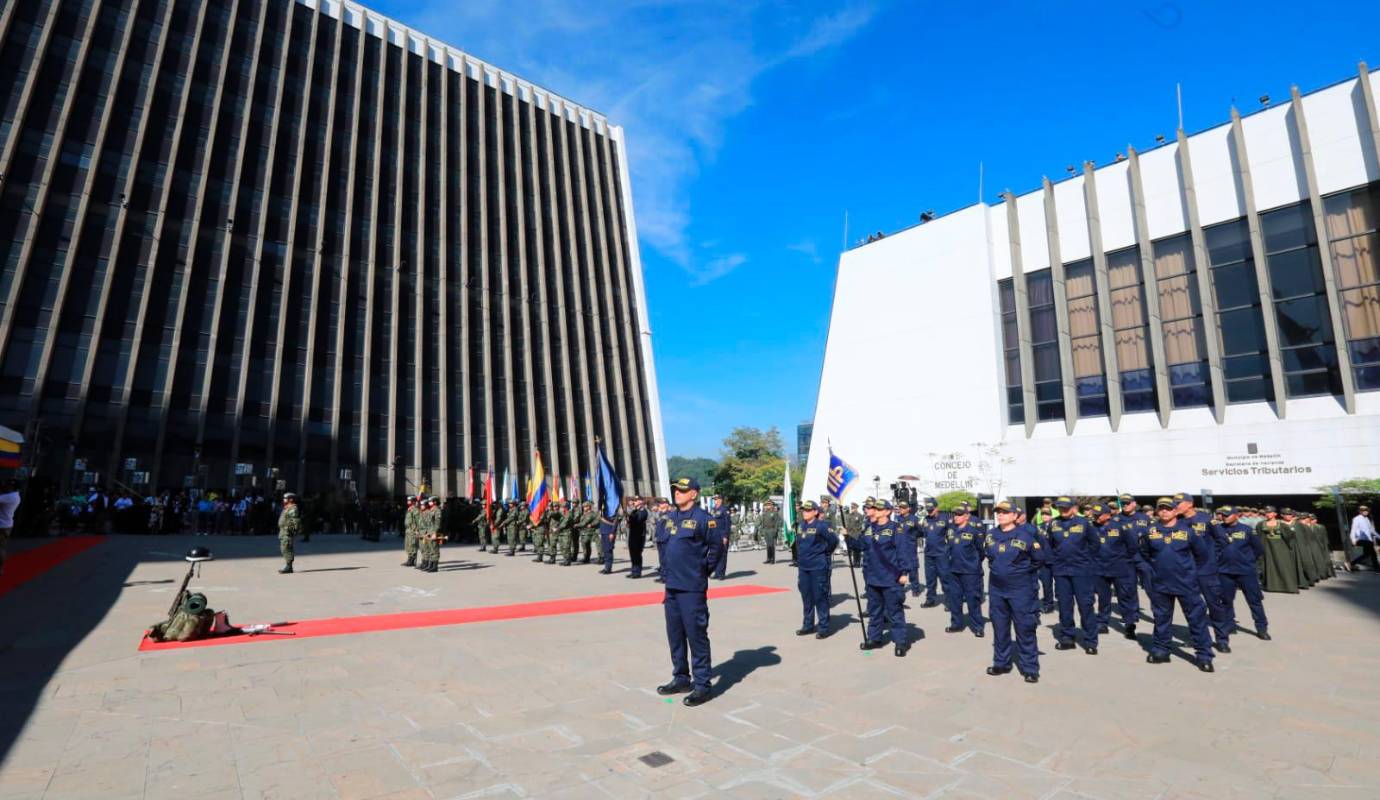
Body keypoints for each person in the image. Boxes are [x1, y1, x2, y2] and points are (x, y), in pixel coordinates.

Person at [656, 477, 721, 707]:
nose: (677, 494)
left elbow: (716, 548)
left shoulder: (704, 519)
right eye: (675, 490)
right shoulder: (669, 518)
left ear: (693, 494)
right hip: (671, 586)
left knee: (696, 635)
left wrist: (702, 571)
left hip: (692, 588)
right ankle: (681, 677)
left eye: (682, 491)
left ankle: (703, 685)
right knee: (675, 635)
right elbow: (663, 547)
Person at [1141, 497, 1214, 672]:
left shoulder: (1188, 531)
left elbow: (1202, 555)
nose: (1164, 511)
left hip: (1186, 584)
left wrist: (1191, 574)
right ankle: (1161, 650)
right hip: (1160, 584)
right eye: (1161, 509)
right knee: (1161, 619)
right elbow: (1144, 554)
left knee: (1196, 619)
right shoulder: (1150, 531)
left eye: (1168, 508)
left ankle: (1204, 655)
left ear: (1175, 511)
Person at [984, 500, 1044, 683]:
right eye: (998, 512)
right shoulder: (991, 535)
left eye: (1004, 512)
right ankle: (1002, 662)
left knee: (1024, 627)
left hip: (1020, 589)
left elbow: (1039, 559)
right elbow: (989, 556)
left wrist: (1020, 572)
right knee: (1000, 627)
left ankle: (1030, 668)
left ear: (1014, 516)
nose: (1000, 515)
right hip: (996, 588)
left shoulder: (1026, 536)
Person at [841, 499, 911, 655]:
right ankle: (874, 638)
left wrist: (905, 573)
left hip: (891, 578)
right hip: (873, 577)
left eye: (879, 509)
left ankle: (900, 642)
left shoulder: (896, 529)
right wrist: (848, 537)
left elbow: (903, 552)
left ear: (887, 511)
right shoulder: (869, 528)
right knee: (875, 611)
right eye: (874, 508)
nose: (876, 511)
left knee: (895, 612)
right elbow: (860, 546)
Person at [1045, 496, 1098, 654]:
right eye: (1060, 507)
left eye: (1066, 507)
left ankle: (1090, 641)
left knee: (1086, 605)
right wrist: (1054, 562)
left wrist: (1085, 559)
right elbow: (1049, 545)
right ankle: (1067, 637)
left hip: (1081, 571)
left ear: (1074, 507)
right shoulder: (1053, 523)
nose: (1063, 510)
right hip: (1061, 571)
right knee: (1064, 605)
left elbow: (1094, 544)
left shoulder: (1084, 523)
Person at [1213, 505, 1270, 642]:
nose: (1224, 517)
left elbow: (1258, 549)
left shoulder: (1247, 530)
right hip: (1224, 571)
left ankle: (1261, 628)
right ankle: (1229, 624)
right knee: (1226, 601)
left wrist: (1247, 561)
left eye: (1227, 515)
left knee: (1254, 600)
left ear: (1236, 515)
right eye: (1222, 515)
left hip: (1245, 571)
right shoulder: (1217, 529)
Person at [1091, 502, 1140, 640]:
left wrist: (1122, 558)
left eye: (1098, 515)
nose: (1096, 517)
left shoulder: (1120, 527)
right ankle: (1102, 622)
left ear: (1107, 515)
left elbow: (1133, 546)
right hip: (1099, 568)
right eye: (1094, 515)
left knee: (1125, 596)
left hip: (1120, 567)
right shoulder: (1091, 527)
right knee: (1103, 597)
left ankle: (1129, 625)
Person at [794, 500, 839, 638]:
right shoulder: (801, 525)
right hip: (804, 567)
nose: (805, 512)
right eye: (804, 510)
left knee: (820, 597)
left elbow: (834, 540)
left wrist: (825, 552)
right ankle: (808, 625)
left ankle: (823, 627)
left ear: (815, 512)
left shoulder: (822, 526)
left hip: (818, 567)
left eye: (808, 510)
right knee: (806, 597)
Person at [942, 502, 986, 637]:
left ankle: (978, 626)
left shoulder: (974, 531)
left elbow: (981, 551)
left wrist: (974, 564)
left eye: (960, 514)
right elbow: (948, 548)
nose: (956, 517)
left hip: (970, 572)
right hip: (954, 571)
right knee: (955, 600)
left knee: (973, 600)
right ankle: (956, 624)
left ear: (967, 516)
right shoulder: (950, 530)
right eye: (955, 514)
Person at [1258, 507, 1300, 593]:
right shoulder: (1260, 524)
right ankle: (1271, 586)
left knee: (1284, 566)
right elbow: (1259, 537)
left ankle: (1288, 587)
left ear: (1275, 514)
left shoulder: (1282, 524)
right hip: (1268, 549)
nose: (1268, 514)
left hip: (1281, 549)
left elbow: (1290, 537)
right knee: (1269, 566)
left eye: (1270, 512)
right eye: (1266, 512)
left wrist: (1290, 548)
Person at [919, 500, 946, 608]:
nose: (930, 512)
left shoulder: (945, 520)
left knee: (945, 579)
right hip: (929, 554)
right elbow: (923, 534)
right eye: (928, 510)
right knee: (930, 579)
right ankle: (930, 600)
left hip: (942, 554)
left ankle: (949, 601)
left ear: (937, 508)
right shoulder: (925, 520)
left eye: (932, 510)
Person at [895, 500, 922, 599]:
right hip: (899, 547)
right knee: (900, 568)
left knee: (913, 568)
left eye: (903, 507)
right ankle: (900, 588)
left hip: (910, 547)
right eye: (900, 507)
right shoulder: (897, 519)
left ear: (908, 509)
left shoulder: (914, 519)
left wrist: (913, 537)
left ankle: (915, 589)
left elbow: (920, 531)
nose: (901, 509)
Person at [0, 480, 20, 577]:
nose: (6, 487)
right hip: (7, 524)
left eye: (8, 485)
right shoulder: (16, 496)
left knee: (1, 548)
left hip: (2, 525)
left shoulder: (9, 496)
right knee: (2, 547)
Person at [278, 493, 301, 574]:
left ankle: (289, 566)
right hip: (283, 531)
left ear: (291, 499)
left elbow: (295, 521)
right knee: (284, 548)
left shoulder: (293, 508)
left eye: (285, 498)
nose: (284, 499)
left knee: (287, 547)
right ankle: (288, 565)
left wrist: (290, 530)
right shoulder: (287, 508)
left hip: (287, 531)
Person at [710, 495, 731, 580]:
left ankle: (721, 573)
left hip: (722, 535)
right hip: (713, 535)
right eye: (714, 499)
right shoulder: (713, 509)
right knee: (715, 554)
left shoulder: (724, 509)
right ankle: (716, 572)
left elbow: (727, 523)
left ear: (721, 500)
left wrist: (725, 536)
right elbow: (710, 521)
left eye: (717, 499)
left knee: (722, 554)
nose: (715, 501)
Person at [1351, 505, 1377, 571]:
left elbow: (1371, 531)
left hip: (1368, 539)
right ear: (1360, 511)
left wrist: (1379, 536)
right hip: (1361, 539)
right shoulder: (1356, 519)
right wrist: (1353, 539)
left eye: (1367, 510)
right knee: (1373, 553)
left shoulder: (1367, 519)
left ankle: (1352, 563)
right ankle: (1376, 567)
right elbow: (1353, 529)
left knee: (1367, 554)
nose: (1366, 512)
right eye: (1364, 511)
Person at [759, 500, 782, 564]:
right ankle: (768, 558)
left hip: (772, 530)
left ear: (771, 505)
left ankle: (772, 559)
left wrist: (775, 530)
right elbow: (762, 522)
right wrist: (762, 530)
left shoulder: (775, 513)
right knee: (768, 545)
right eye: (766, 505)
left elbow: (778, 522)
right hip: (766, 530)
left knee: (772, 545)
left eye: (768, 505)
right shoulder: (764, 513)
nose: (767, 506)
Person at [402, 495, 420, 566]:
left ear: (413, 501)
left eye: (409, 500)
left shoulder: (415, 510)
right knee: (407, 545)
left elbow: (418, 521)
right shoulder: (409, 509)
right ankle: (409, 558)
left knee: (412, 545)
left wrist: (417, 530)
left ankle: (412, 560)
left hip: (413, 530)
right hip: (408, 529)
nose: (407, 501)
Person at [598, 508, 617, 574]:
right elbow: (601, 522)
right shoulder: (604, 511)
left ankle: (608, 568)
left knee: (609, 550)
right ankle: (606, 567)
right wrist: (600, 532)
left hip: (609, 533)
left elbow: (615, 522)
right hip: (603, 532)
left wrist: (612, 532)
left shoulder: (613, 511)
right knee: (605, 550)